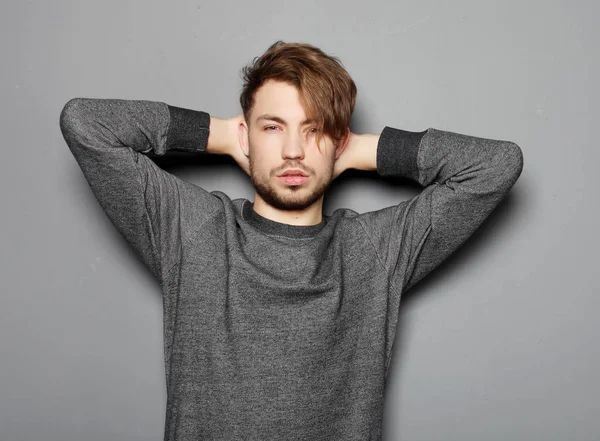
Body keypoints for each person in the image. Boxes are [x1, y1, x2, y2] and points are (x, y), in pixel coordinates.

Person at [59, 40, 523, 441]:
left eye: (314, 129)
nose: (293, 151)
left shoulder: (373, 249)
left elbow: (496, 166)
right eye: (273, 127)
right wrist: (223, 135)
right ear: (247, 134)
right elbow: (86, 124)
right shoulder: (192, 229)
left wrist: (357, 148)